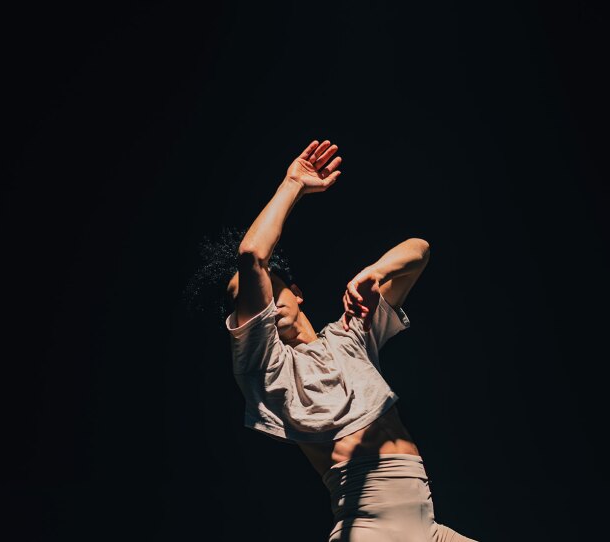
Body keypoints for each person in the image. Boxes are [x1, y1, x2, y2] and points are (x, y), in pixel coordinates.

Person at [196, 139, 477, 541]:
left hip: (428, 526)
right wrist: (293, 183)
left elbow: (420, 251)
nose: (267, 306)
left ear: (296, 290)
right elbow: (252, 255)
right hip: (369, 530)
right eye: (252, 301)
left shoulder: (349, 336)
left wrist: (375, 272)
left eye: (271, 291)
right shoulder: (268, 367)